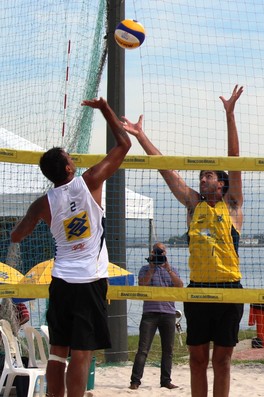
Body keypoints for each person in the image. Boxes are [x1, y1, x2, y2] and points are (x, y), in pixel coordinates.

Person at [121, 85, 244, 397]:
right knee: (198, 359)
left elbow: (234, 158)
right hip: (199, 289)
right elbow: (165, 170)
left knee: (223, 360)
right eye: (201, 175)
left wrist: (230, 115)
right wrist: (140, 136)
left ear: (222, 182)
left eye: (209, 176)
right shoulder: (194, 205)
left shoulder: (232, 206)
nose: (202, 179)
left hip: (229, 289)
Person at [11, 97, 132, 397]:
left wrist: (33, 220)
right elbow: (124, 144)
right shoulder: (89, 181)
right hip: (89, 281)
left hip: (62, 280)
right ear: (68, 166)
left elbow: (15, 236)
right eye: (70, 157)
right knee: (82, 353)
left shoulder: (43, 204)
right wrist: (105, 108)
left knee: (57, 352)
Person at [129, 242, 183, 390]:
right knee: (143, 349)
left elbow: (180, 286)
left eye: (162, 252)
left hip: (168, 313)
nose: (159, 254)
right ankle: (135, 381)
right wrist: (152, 268)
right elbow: (142, 285)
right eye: (157, 252)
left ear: (166, 253)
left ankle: (165, 381)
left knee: (168, 350)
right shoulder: (145, 269)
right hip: (150, 313)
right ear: (151, 253)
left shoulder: (172, 269)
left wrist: (168, 269)